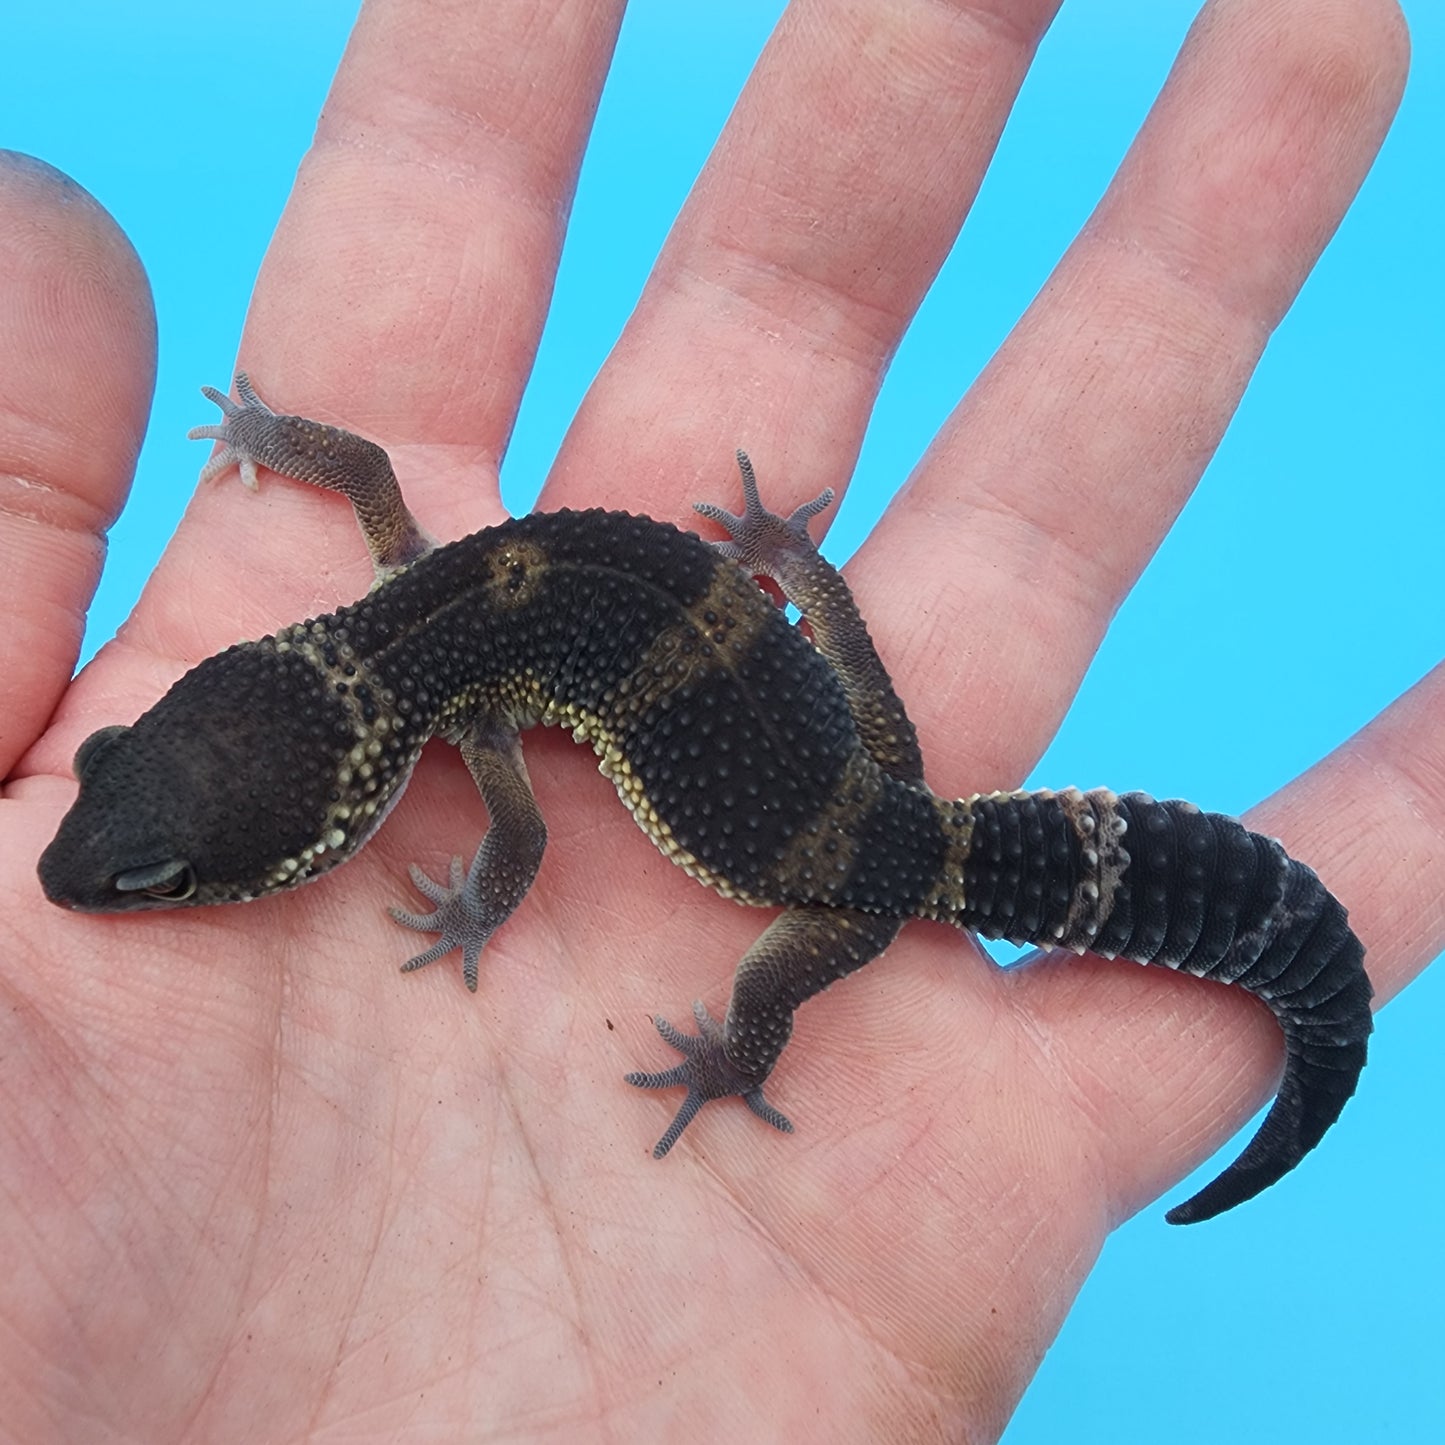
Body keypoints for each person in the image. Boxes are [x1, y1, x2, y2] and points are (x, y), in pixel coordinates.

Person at [1, 1, 1436, 1439]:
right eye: (145, 833)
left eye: (166, 869)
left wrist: (488, 924)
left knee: (759, 989)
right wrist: (274, 437)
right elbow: (368, 466)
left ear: (339, 811)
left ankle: (750, 1048)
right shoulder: (414, 581)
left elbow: (517, 848)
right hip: (863, 770)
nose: (113, 848)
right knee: (870, 758)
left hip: (858, 874)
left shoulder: (474, 724)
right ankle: (812, 604)